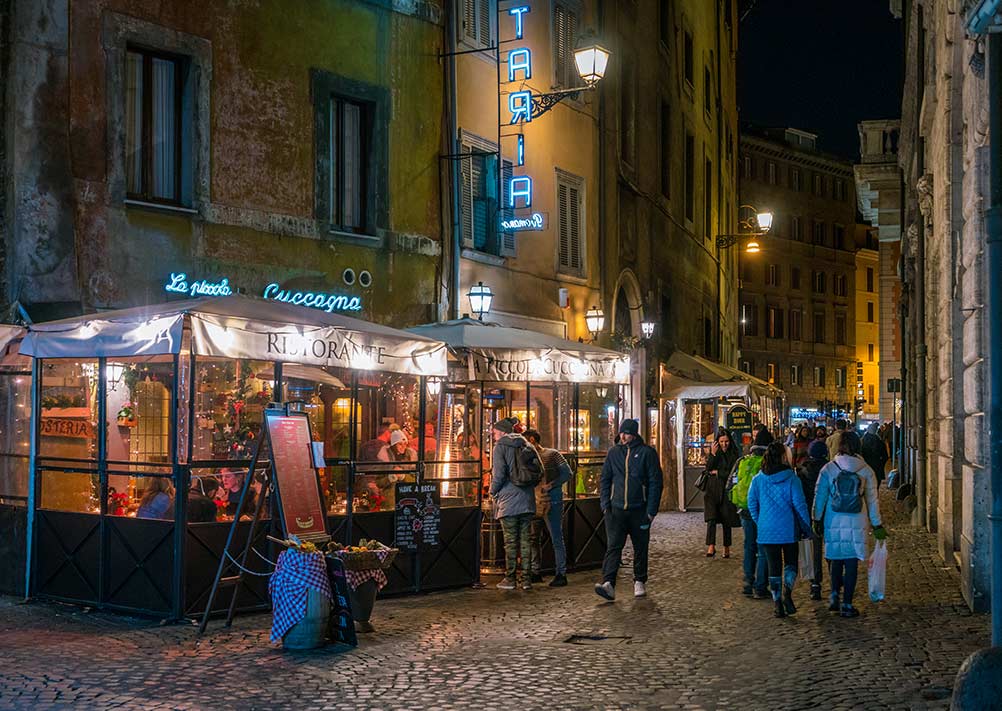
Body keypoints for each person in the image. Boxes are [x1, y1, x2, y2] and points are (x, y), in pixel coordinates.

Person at [813, 431, 886, 618]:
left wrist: (817, 518)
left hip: (833, 518)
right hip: (857, 519)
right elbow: (872, 500)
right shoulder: (866, 470)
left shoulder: (829, 468)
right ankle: (847, 604)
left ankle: (834, 595)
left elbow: (819, 496)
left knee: (836, 558)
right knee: (851, 560)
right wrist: (877, 525)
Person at [594, 419, 664, 601]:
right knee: (613, 546)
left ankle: (639, 580)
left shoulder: (647, 453)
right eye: (622, 433)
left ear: (634, 434)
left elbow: (655, 482)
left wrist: (651, 511)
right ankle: (608, 583)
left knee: (640, 546)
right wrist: (605, 505)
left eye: (627, 433)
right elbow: (605, 479)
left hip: (639, 509)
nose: (624, 437)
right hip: (616, 510)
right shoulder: (614, 453)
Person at [747, 441, 812, 619]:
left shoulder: (758, 479)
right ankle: (787, 594)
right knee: (791, 564)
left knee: (773, 568)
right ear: (784, 457)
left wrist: (760, 521)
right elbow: (800, 505)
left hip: (766, 531)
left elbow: (751, 503)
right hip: (789, 530)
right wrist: (807, 526)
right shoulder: (792, 478)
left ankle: (777, 603)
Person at [490, 417, 539, 591]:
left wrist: (492, 491)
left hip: (508, 501)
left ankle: (510, 578)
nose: (493, 435)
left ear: (503, 432)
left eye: (495, 432)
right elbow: (538, 470)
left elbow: (499, 474)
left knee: (510, 541)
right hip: (527, 499)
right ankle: (526, 580)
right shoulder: (526, 444)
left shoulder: (500, 447)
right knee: (525, 540)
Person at [524, 429, 572, 587]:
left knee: (556, 538)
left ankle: (561, 573)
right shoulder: (527, 458)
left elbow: (567, 473)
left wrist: (551, 485)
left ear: (532, 440)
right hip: (534, 502)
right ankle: (535, 571)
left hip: (552, 500)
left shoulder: (552, 454)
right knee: (533, 538)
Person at [728, 427, 772, 598]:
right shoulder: (768, 464)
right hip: (763, 513)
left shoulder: (742, 461)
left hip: (744, 510)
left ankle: (748, 581)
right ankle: (760, 586)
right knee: (763, 548)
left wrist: (738, 504)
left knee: (749, 545)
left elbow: (730, 485)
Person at [797, 440, 829, 600]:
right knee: (830, 547)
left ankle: (814, 584)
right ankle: (835, 579)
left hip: (809, 514)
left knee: (812, 550)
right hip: (827, 514)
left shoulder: (802, 471)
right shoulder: (830, 469)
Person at [703, 429, 739, 558]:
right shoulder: (715, 453)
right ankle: (711, 546)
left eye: (727, 441)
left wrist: (718, 473)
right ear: (717, 442)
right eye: (722, 441)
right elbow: (708, 469)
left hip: (726, 490)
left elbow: (732, 472)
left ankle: (726, 547)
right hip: (712, 489)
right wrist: (712, 455)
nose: (724, 444)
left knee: (726, 519)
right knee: (711, 519)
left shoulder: (734, 454)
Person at [861, 422, 890, 488]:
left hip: (865, 466)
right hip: (877, 467)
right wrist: (881, 464)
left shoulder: (862, 441)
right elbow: (885, 456)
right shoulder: (880, 441)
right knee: (876, 485)